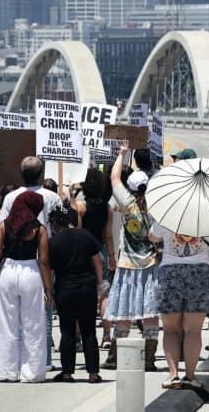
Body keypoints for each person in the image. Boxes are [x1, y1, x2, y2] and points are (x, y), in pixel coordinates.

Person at [102, 143, 159, 372]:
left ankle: (116, 356)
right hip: (151, 265)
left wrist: (122, 155)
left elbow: (114, 178)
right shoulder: (156, 205)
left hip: (127, 264)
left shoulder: (126, 203)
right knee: (150, 314)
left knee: (123, 312)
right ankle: (149, 359)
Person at [151, 207, 209, 390]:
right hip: (201, 272)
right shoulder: (208, 215)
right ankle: (190, 376)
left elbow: (152, 236)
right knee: (193, 330)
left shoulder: (170, 213)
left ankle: (173, 375)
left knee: (170, 329)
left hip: (170, 271)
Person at [0, 189, 51, 382]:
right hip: (31, 271)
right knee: (33, 323)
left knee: (6, 322)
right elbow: (43, 260)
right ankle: (32, 372)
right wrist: (49, 289)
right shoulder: (39, 228)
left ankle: (6, 370)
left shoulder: (3, 225)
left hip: (8, 270)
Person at [47, 206, 103, 383]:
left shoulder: (53, 242)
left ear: (55, 223)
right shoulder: (85, 235)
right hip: (87, 287)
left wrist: (49, 291)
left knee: (67, 331)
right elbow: (97, 261)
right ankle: (93, 373)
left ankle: (67, 373)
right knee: (89, 331)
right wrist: (100, 282)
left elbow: (50, 270)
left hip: (65, 289)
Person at [72, 164, 115, 349]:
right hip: (102, 253)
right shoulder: (107, 208)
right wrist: (112, 257)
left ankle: (78, 336)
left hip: (84, 254)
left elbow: (77, 231)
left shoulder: (80, 207)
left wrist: (71, 194)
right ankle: (107, 335)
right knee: (104, 294)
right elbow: (108, 235)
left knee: (80, 297)